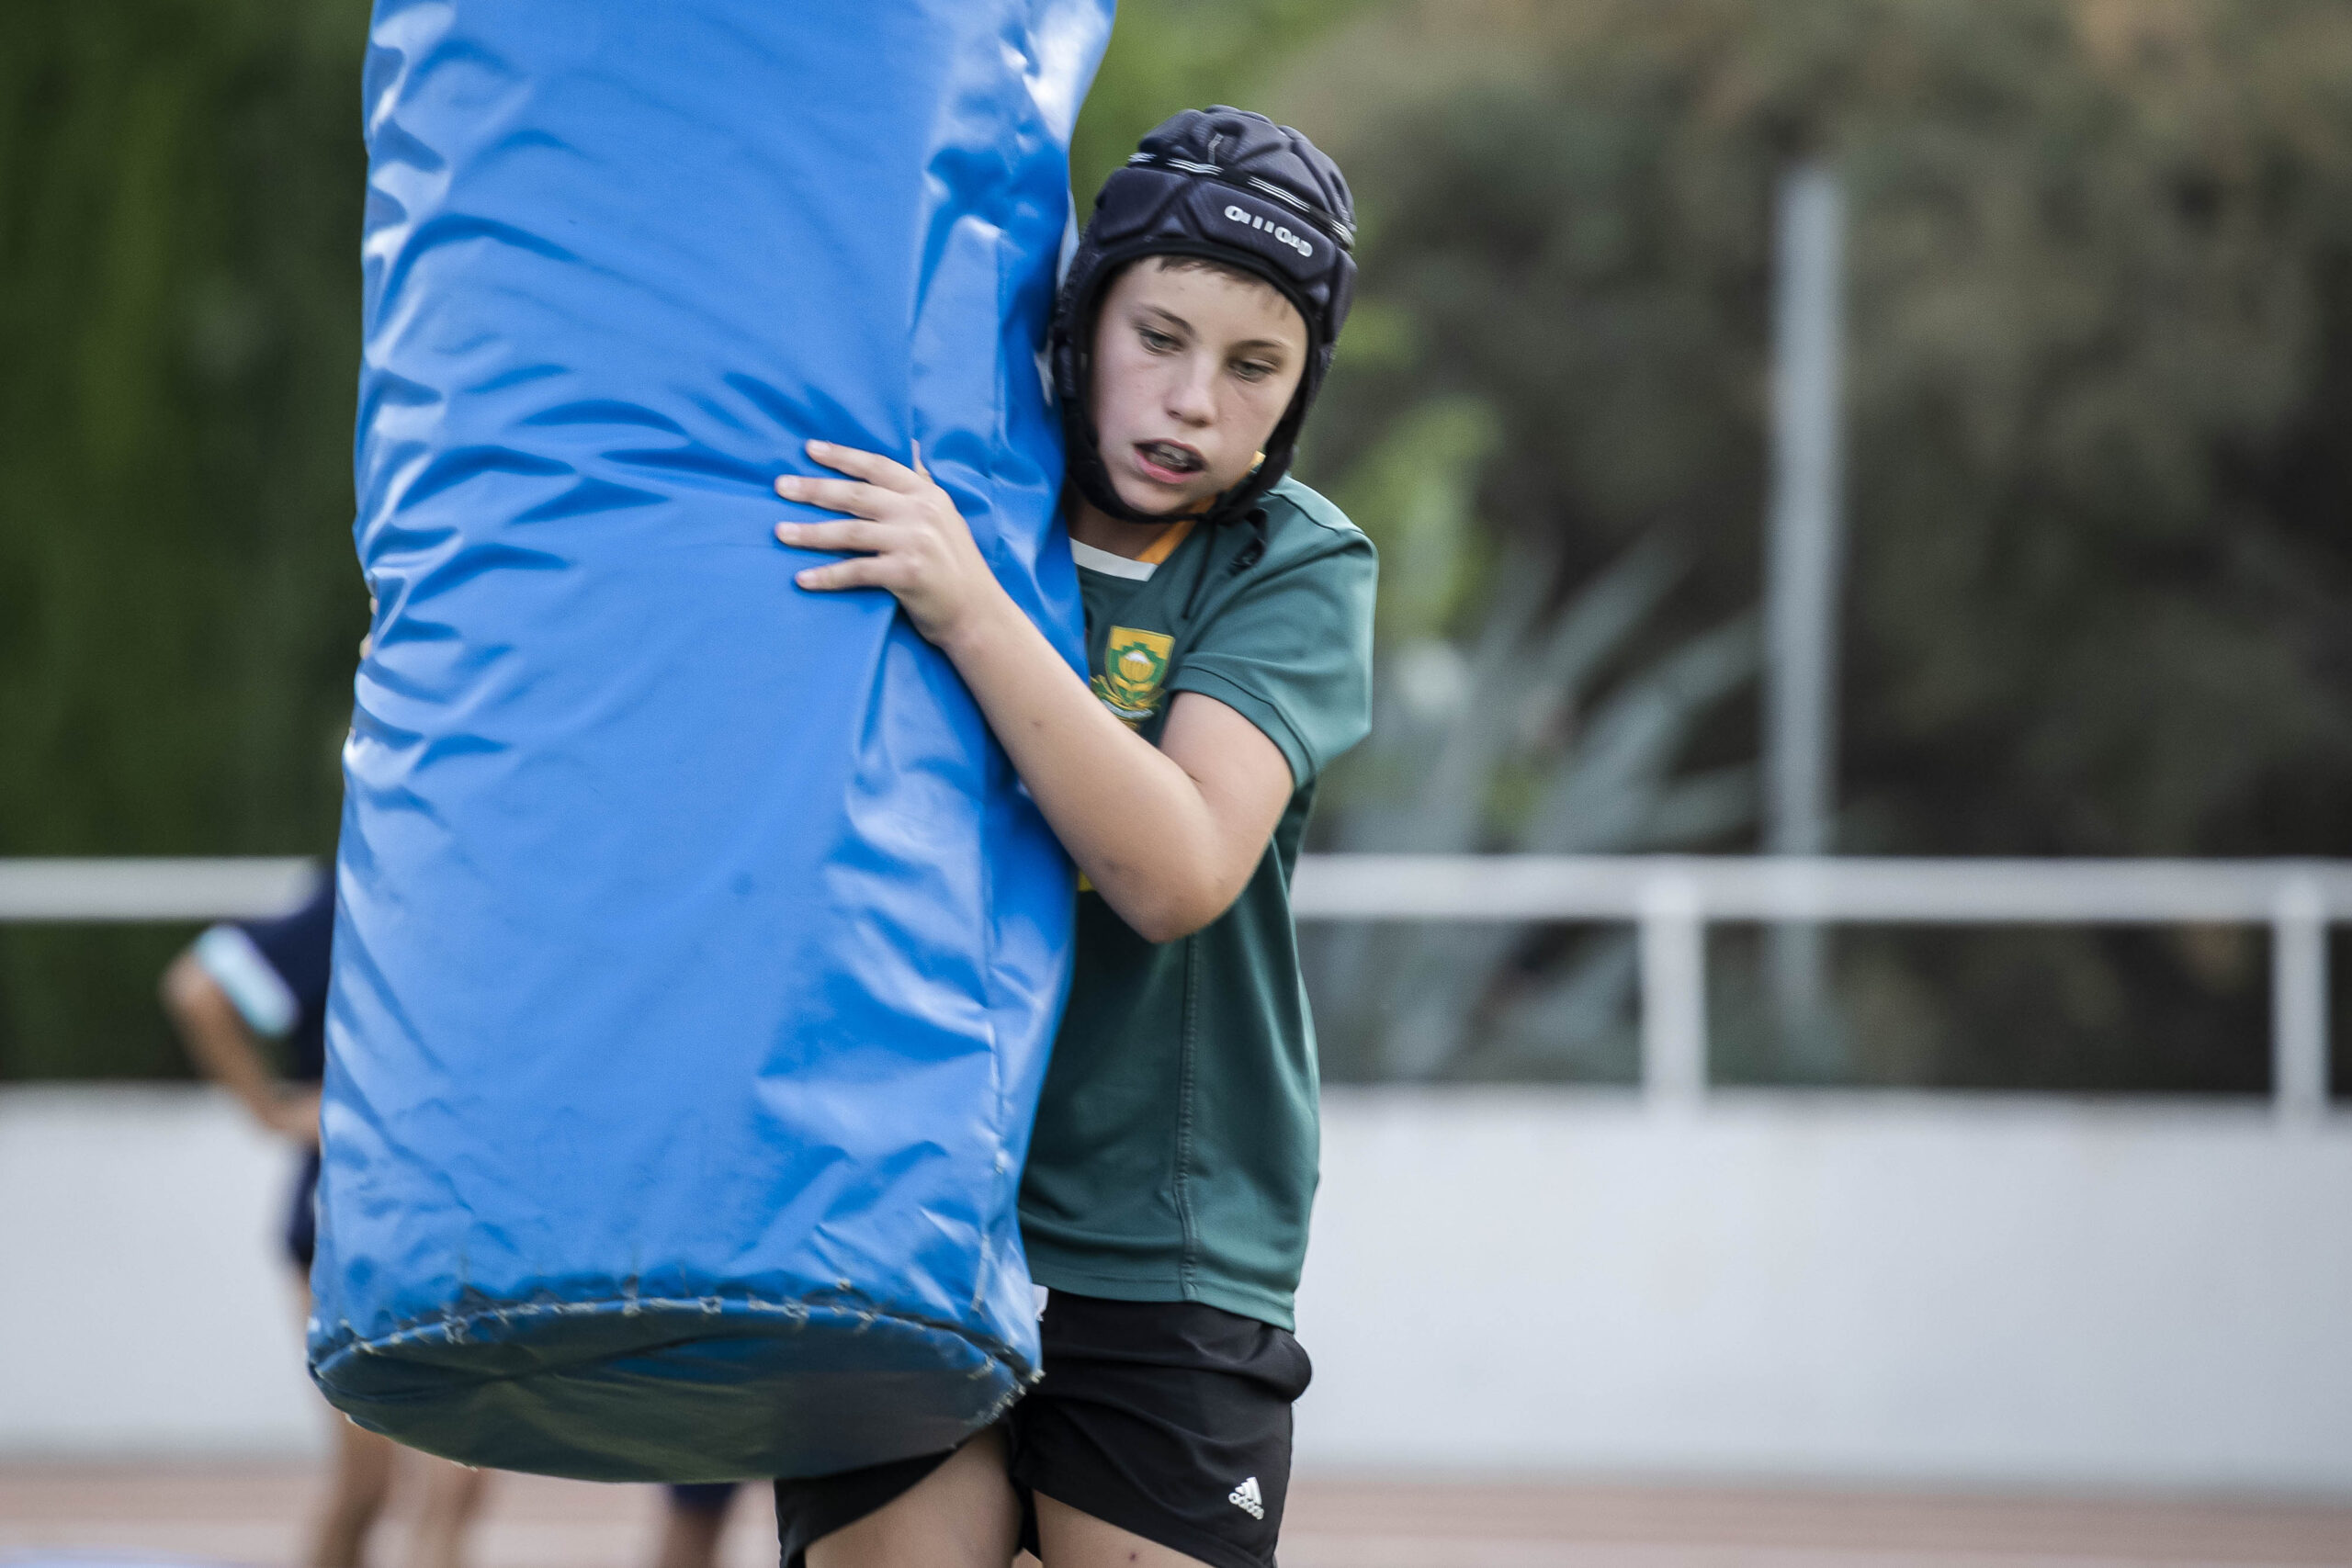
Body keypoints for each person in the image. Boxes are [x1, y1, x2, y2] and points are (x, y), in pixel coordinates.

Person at [765, 107, 1373, 1568]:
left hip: (1161, 1242)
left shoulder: (1292, 560)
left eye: (1254, 365)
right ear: (1082, 315)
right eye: (1156, 336)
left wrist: (969, 607)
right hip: (888, 1194)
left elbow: (1174, 870)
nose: (1193, 400)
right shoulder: (934, 494)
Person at [162, 874, 492, 1568]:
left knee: (456, 1480)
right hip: (353, 1231)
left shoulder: (481, 897)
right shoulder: (370, 888)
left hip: (451, 1225)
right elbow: (199, 988)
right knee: (372, 1481)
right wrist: (272, 1112)